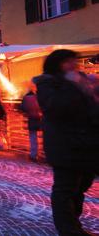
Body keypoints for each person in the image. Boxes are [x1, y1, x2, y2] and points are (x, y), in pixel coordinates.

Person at [34, 49, 99, 236]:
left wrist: (91, 91)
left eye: (74, 61)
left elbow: (91, 109)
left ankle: (73, 224)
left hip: (86, 144)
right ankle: (68, 230)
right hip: (64, 145)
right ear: (56, 64)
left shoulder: (79, 81)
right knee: (65, 189)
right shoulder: (47, 84)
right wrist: (74, 85)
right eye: (68, 61)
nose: (74, 65)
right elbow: (57, 108)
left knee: (81, 187)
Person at [21, 80, 42, 162]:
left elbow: (23, 108)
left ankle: (33, 155)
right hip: (40, 118)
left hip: (31, 118)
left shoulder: (25, 98)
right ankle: (42, 153)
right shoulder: (38, 96)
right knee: (41, 136)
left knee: (33, 136)